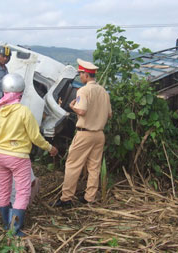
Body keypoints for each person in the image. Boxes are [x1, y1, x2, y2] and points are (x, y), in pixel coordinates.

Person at [0, 73, 58, 236]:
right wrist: (49, 147)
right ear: (21, 92)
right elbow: (35, 137)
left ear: (4, 91)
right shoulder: (24, 112)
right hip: (19, 157)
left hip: (1, 156)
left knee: (4, 190)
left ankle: (6, 224)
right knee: (22, 192)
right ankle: (15, 229)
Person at [54, 59, 112, 208]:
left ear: (86, 75)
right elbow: (109, 114)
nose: (80, 76)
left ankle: (66, 198)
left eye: (80, 73)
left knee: (73, 164)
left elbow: (82, 111)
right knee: (94, 166)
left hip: (85, 133)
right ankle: (89, 198)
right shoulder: (104, 92)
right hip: (99, 134)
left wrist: (72, 106)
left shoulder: (84, 90)